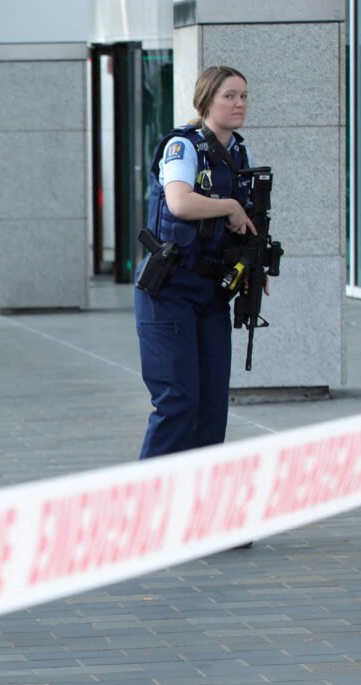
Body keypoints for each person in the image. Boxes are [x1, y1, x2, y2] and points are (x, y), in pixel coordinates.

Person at [135, 65, 259, 460]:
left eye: (243, 95)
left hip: (210, 294)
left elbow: (253, 221)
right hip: (169, 290)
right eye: (229, 96)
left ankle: (200, 510)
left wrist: (253, 268)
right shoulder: (183, 147)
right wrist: (230, 207)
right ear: (206, 101)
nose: (239, 103)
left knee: (211, 410)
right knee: (177, 404)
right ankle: (148, 509)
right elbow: (180, 202)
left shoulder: (240, 151)